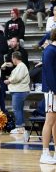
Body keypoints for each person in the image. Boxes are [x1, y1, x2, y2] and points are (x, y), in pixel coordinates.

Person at [40, 28, 56, 164]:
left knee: (55, 122)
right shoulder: (50, 50)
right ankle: (45, 153)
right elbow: (50, 74)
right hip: (52, 90)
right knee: (49, 120)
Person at [4, 51, 30, 134]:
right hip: (19, 90)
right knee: (19, 109)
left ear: (14, 58)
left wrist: (9, 80)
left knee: (16, 110)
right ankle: (21, 127)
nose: (12, 60)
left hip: (19, 91)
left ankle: (19, 127)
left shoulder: (21, 66)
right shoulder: (20, 66)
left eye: (12, 58)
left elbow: (16, 78)